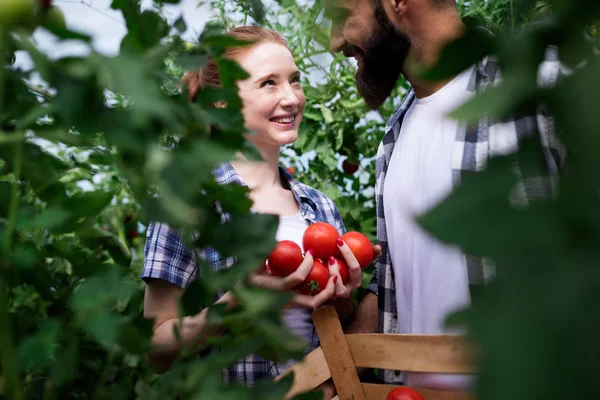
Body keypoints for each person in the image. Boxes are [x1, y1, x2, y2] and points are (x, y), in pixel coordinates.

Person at [322, 0, 565, 392]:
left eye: (341, 17)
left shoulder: (543, 83)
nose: (336, 42)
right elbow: (395, 287)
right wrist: (329, 373)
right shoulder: (395, 136)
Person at [140, 26, 374, 387]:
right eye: (269, 83)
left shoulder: (320, 208)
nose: (292, 97)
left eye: (294, 81)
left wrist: (342, 298)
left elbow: (337, 327)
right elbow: (155, 350)